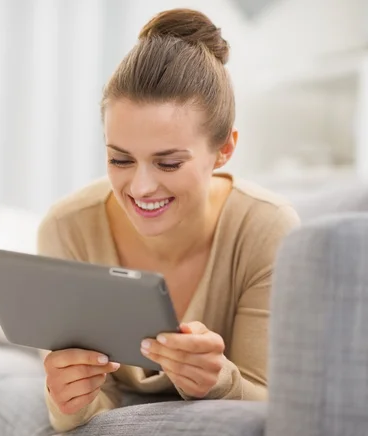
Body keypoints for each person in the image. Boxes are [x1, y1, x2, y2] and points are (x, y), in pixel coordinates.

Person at [36, 7, 300, 434]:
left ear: (225, 149)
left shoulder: (267, 229)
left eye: (169, 163)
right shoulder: (67, 229)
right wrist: (66, 399)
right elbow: (83, 408)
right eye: (119, 159)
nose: (140, 188)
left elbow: (278, 405)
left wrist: (220, 380)